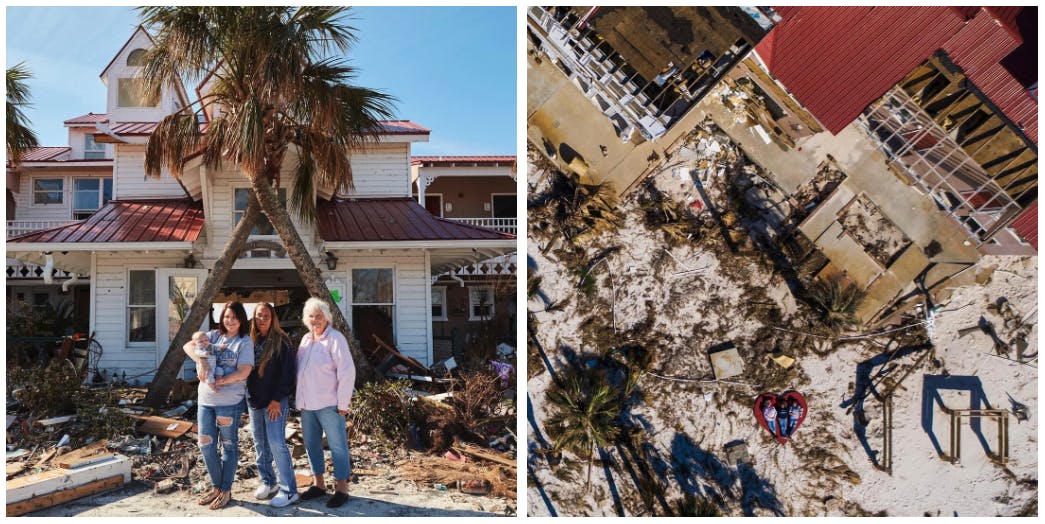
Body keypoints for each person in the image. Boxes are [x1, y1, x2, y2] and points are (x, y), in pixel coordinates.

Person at [183, 302, 254, 510]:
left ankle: (225, 489)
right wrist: (203, 361)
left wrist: (221, 381)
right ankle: (216, 487)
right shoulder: (213, 336)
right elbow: (187, 345)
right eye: (226, 316)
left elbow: (244, 371)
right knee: (205, 444)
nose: (229, 321)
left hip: (229, 403)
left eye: (234, 317)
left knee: (229, 446)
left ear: (241, 319)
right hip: (205, 401)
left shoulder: (244, 342)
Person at [296, 297, 356, 508]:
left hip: (330, 403)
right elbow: (300, 372)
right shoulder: (305, 340)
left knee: (337, 445)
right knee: (311, 444)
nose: (315, 320)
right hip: (307, 404)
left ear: (326, 317)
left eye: (319, 316)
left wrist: (343, 403)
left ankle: (341, 488)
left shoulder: (335, 339)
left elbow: (347, 372)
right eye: (311, 316)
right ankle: (319, 484)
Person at [246, 303, 298, 507]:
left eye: (266, 316)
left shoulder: (281, 341)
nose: (262, 319)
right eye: (259, 315)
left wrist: (277, 399)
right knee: (260, 444)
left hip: (274, 401)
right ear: (254, 318)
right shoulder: (250, 340)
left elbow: (288, 374)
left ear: (272, 317)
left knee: (276, 443)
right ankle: (269, 482)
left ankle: (289, 490)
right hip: (255, 401)